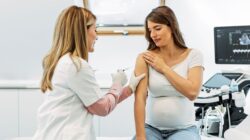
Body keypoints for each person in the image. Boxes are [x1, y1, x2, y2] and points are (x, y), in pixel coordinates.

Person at [32, 5, 145, 140]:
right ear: (82, 31)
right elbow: (102, 108)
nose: (96, 36)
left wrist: (129, 88)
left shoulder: (61, 62)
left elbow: (93, 103)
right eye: (94, 29)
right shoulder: (76, 66)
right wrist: (117, 83)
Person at [133, 6, 204, 140]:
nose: (153, 34)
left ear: (171, 27)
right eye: (150, 30)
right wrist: (140, 136)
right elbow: (140, 99)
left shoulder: (194, 55)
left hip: (184, 130)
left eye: (158, 28)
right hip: (151, 129)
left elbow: (192, 92)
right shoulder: (144, 58)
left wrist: (164, 68)